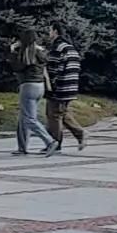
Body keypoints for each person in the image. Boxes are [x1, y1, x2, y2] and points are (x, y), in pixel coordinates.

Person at [45, 25, 86, 153]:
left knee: (54, 114)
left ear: (55, 31)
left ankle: (56, 144)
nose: (49, 32)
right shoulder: (70, 47)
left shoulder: (57, 48)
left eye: (50, 30)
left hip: (60, 87)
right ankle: (80, 134)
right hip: (71, 86)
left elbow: (54, 68)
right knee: (62, 113)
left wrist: (51, 85)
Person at [15, 40, 52, 155]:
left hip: (28, 86)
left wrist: (11, 51)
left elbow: (17, 67)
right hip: (39, 86)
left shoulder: (27, 53)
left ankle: (49, 141)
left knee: (29, 119)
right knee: (23, 117)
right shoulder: (40, 52)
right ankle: (22, 148)